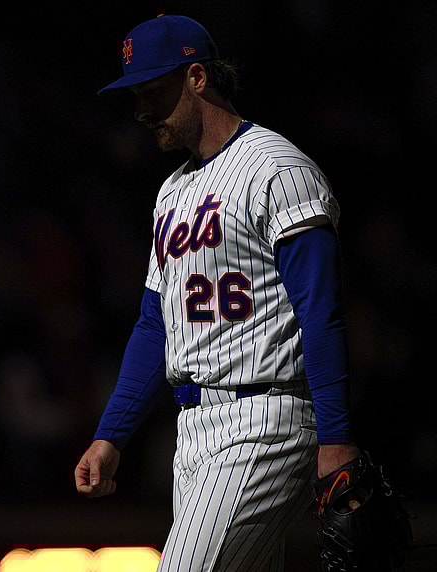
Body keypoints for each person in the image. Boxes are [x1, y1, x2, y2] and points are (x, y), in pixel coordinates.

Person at [74, 13, 362, 571]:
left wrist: (338, 438)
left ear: (197, 77)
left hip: (265, 419)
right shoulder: (172, 191)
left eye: (152, 91)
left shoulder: (277, 168)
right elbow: (156, 323)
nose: (140, 110)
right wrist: (111, 434)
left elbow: (320, 311)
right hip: (196, 433)